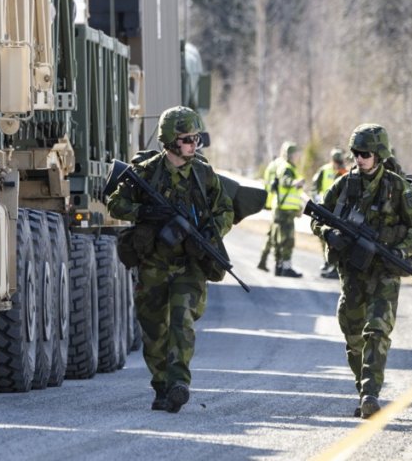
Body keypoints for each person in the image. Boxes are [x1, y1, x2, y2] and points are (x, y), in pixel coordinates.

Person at [106, 106, 234, 413]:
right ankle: (162, 386)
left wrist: (209, 232)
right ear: (170, 140)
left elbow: (225, 210)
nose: (193, 144)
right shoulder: (147, 172)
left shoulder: (203, 174)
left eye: (196, 139)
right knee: (154, 329)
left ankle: (179, 382)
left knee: (181, 318)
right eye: (187, 139)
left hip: (189, 263)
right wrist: (146, 212)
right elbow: (115, 203)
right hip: (153, 264)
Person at [311, 124, 412, 419]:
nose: (359, 159)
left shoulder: (397, 187)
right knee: (353, 335)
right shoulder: (344, 185)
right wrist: (328, 234)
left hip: (385, 271)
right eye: (355, 153)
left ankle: (370, 394)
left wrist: (400, 250)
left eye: (365, 153)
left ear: (379, 154)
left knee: (377, 331)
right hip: (353, 271)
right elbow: (317, 216)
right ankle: (362, 387)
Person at [312, 148, 348, 278]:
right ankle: (328, 261)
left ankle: (335, 266)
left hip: (339, 211)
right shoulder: (324, 170)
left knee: (338, 237)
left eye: (340, 162)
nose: (337, 164)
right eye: (336, 161)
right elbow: (315, 186)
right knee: (325, 235)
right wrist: (316, 199)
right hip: (325, 208)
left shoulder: (345, 172)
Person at [271, 141, 305, 277]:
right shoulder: (287, 168)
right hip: (285, 211)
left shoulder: (286, 167)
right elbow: (285, 181)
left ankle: (279, 266)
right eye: (296, 154)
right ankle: (286, 268)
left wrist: (298, 207)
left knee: (280, 239)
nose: (298, 156)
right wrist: (295, 183)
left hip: (283, 210)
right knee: (287, 241)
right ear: (291, 155)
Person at [257, 148, 284, 271]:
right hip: (278, 204)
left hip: (271, 202)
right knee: (276, 236)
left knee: (271, 234)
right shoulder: (281, 165)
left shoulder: (272, 165)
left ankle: (263, 261)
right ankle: (278, 264)